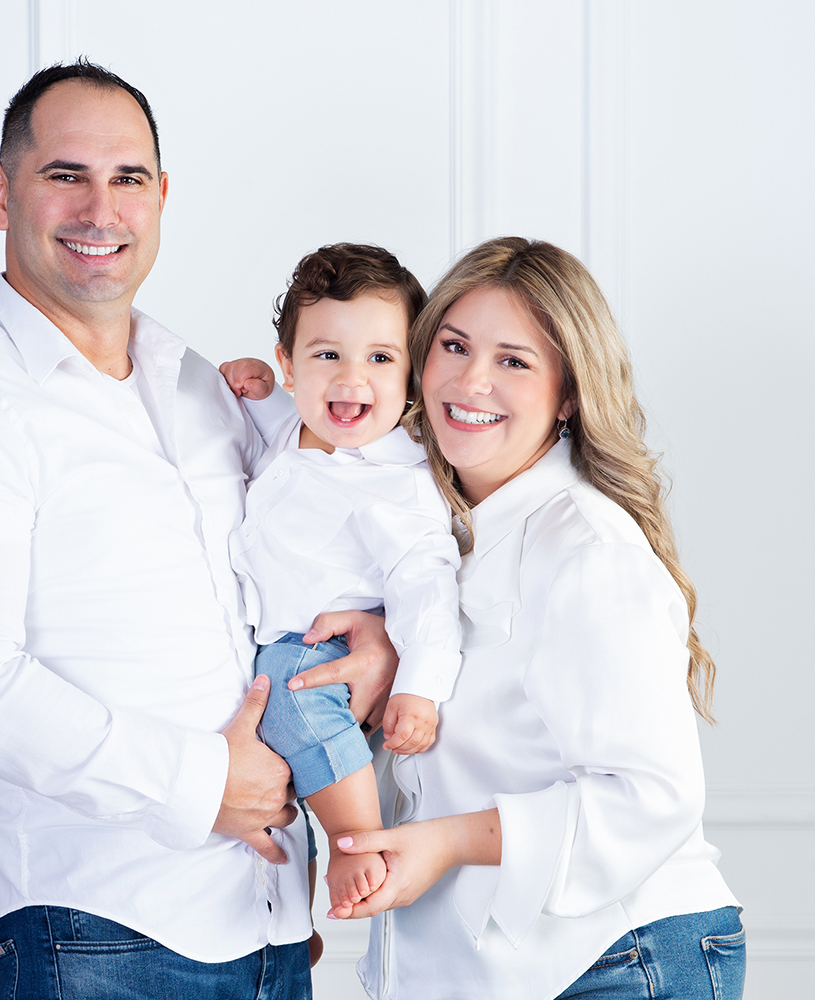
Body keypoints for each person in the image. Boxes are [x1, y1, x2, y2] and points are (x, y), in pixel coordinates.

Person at [0, 60, 395, 1000]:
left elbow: (302, 546)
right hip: (96, 933)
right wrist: (200, 781)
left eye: (128, 178)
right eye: (65, 174)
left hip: (269, 928)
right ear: (0, 193)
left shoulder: (195, 382)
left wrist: (374, 638)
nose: (100, 209)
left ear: (161, 197)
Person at [298, 237, 744, 999]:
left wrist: (445, 844)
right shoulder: (424, 535)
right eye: (454, 346)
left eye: (514, 361)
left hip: (614, 961)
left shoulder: (586, 547)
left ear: (568, 395)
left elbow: (652, 795)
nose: (472, 380)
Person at [221, 244, 462, 916]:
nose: (352, 378)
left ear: (412, 376)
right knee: (280, 772)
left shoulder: (398, 481)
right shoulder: (295, 429)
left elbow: (428, 587)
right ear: (289, 363)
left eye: (380, 359)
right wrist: (254, 392)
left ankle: (356, 842)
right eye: (328, 354)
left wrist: (419, 687)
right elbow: (285, 431)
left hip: (318, 648)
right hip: (269, 643)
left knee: (295, 711)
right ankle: (296, 912)